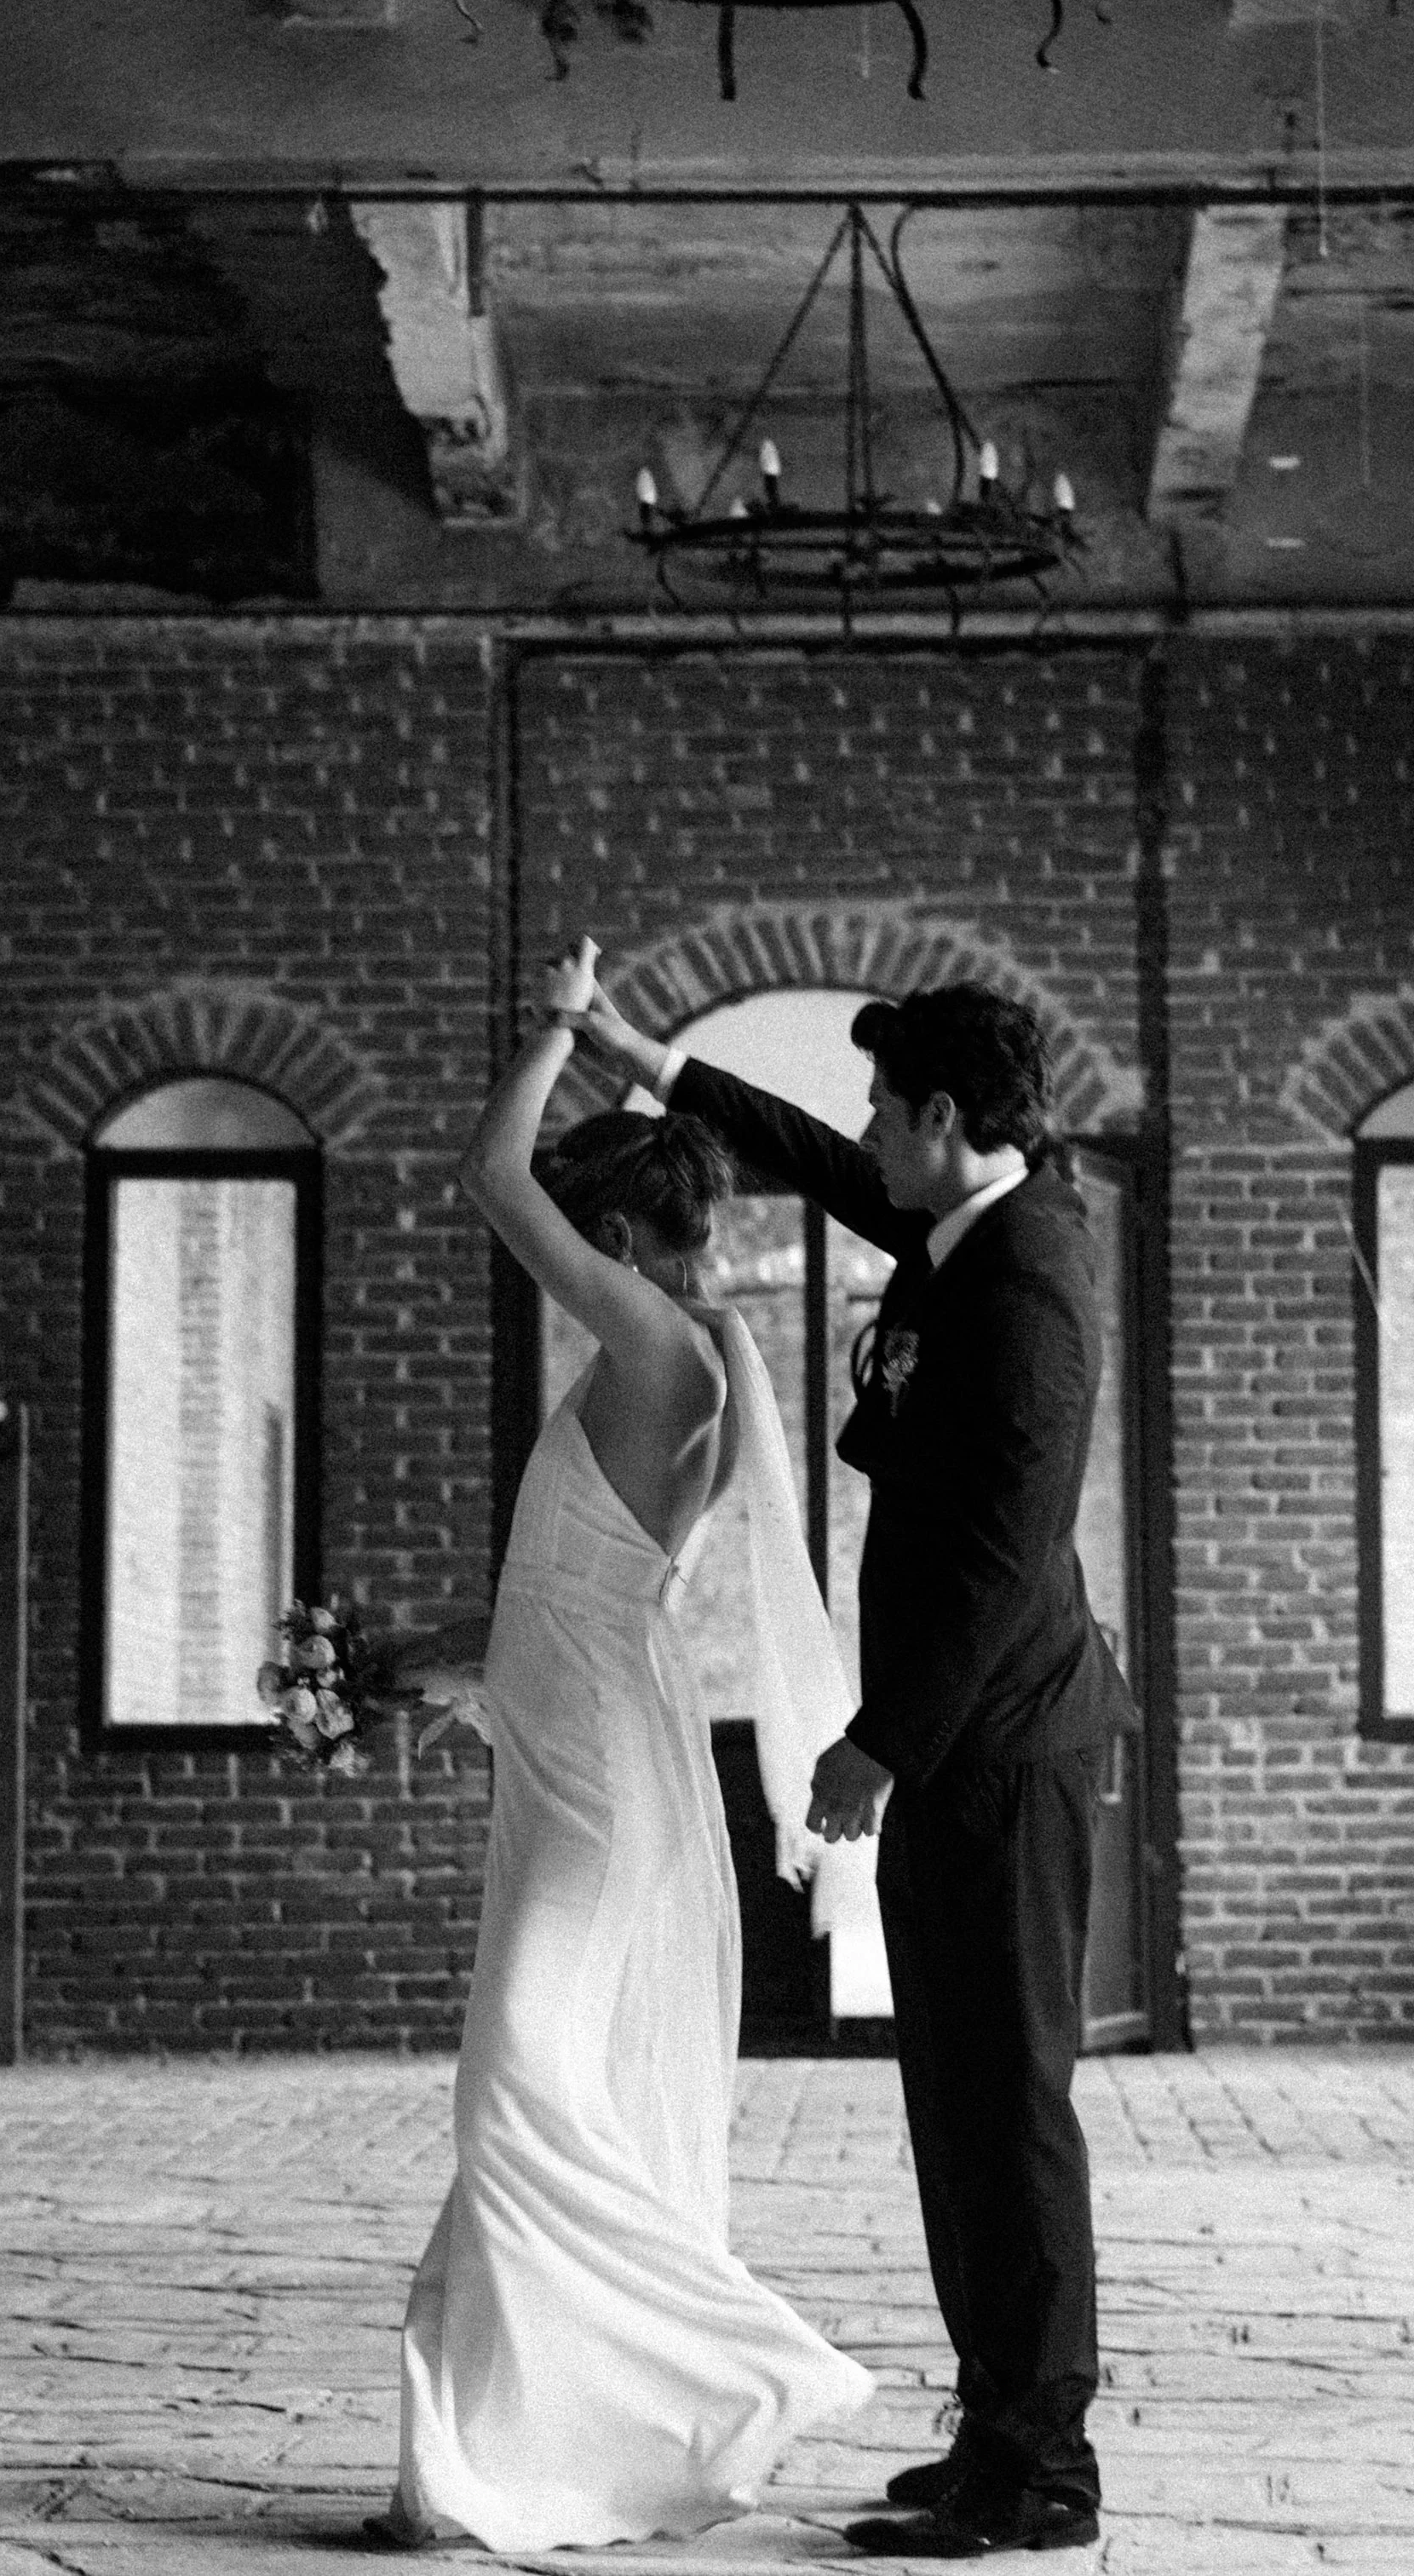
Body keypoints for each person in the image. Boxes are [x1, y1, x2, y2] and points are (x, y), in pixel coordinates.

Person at [575, 974, 1136, 2562]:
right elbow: (822, 1159)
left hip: (1003, 1748)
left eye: (893, 1107)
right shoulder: (969, 1230)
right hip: (972, 1748)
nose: (872, 1132)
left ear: (948, 1121)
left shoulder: (1026, 1278)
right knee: (953, 2094)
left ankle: (1046, 2469)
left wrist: (879, 1744)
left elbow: (997, 1554)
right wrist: (648, 1060)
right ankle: (994, 2429)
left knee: (1011, 2101)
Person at [370, 938, 877, 2554]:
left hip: (595, 1767)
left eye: (578, 1239)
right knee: (528, 2081)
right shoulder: (666, 1364)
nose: (560, 1261)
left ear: (609, 1240)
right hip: (586, 1734)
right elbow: (571, 1592)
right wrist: (411, 1666)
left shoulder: (659, 1349)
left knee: (516, 2073)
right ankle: (483, 2451)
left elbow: (484, 1169)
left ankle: (740, 2362)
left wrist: (561, 1025)